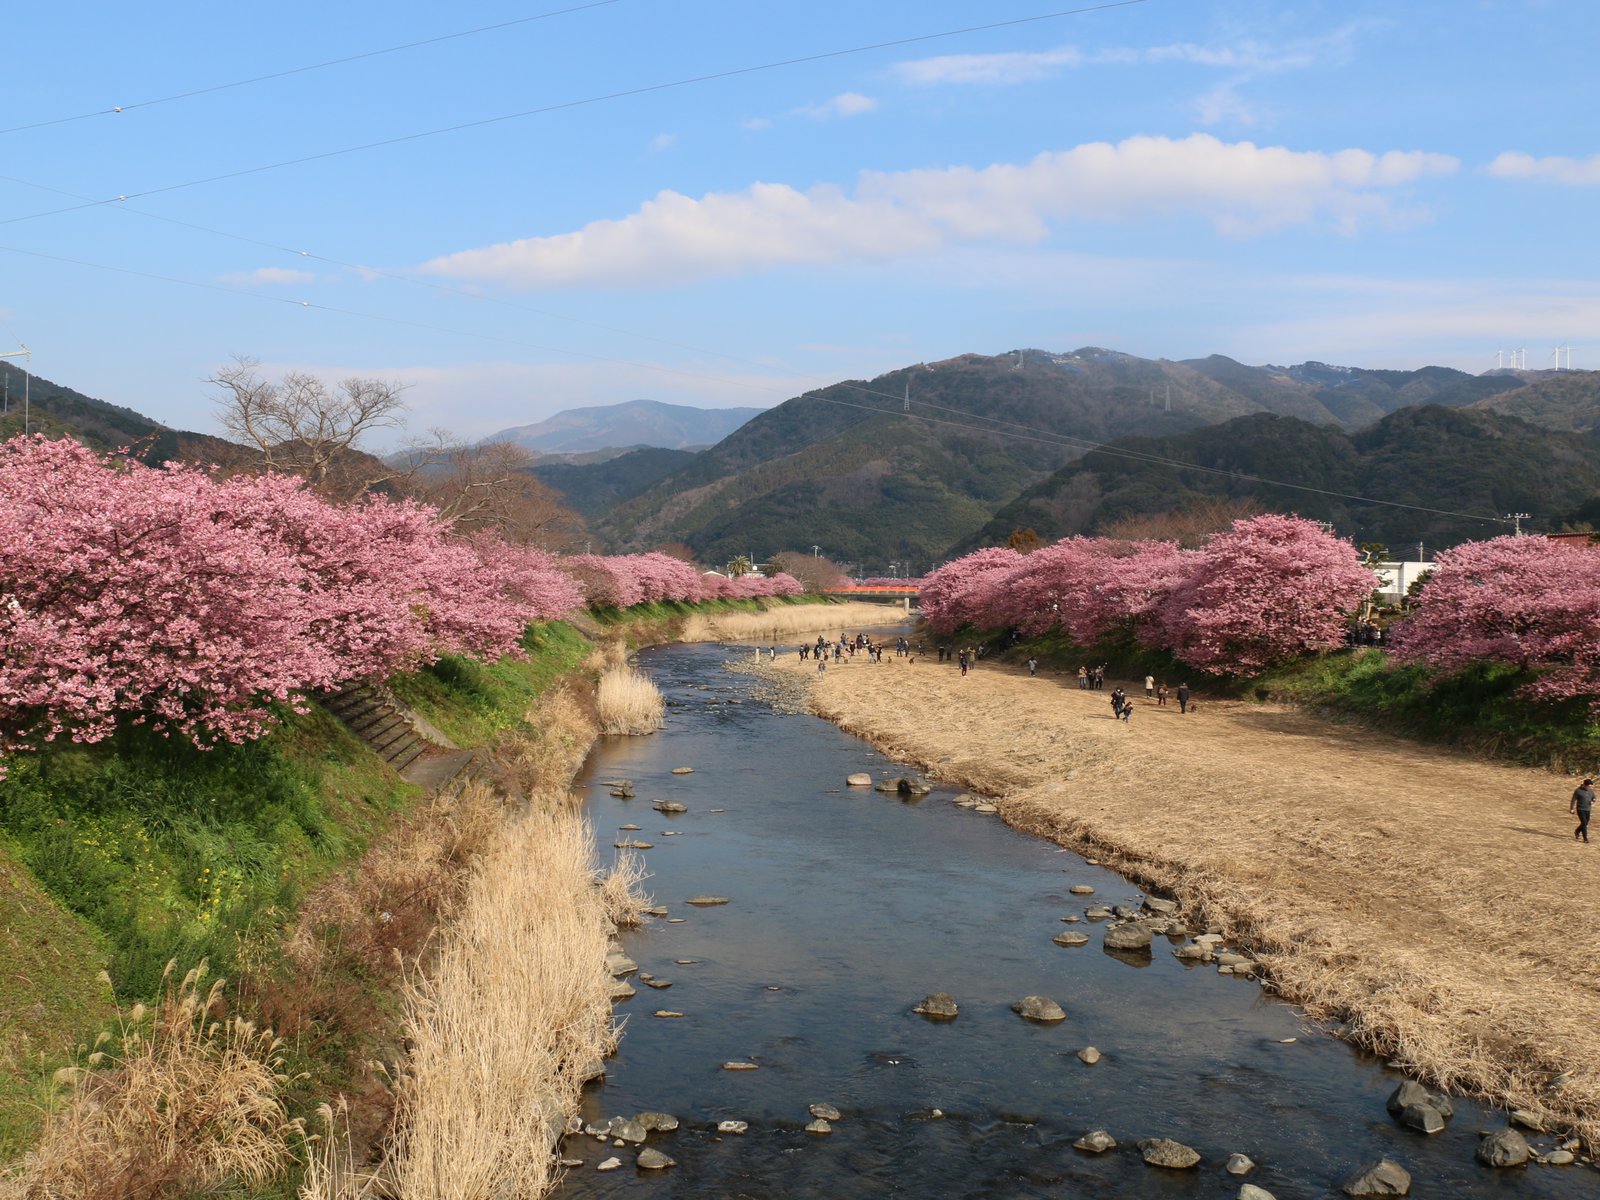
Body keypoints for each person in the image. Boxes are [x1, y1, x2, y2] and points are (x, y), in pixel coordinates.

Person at [1572, 778, 1595, 843]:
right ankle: (1585, 838)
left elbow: (1594, 797)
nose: (1590, 788)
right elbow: (1573, 799)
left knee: (1585, 822)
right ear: (1585, 785)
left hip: (1588, 809)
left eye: (1591, 786)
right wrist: (1572, 808)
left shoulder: (1591, 791)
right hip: (1580, 809)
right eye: (1589, 786)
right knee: (1584, 823)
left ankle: (1577, 831)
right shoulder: (1578, 791)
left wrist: (1593, 801)